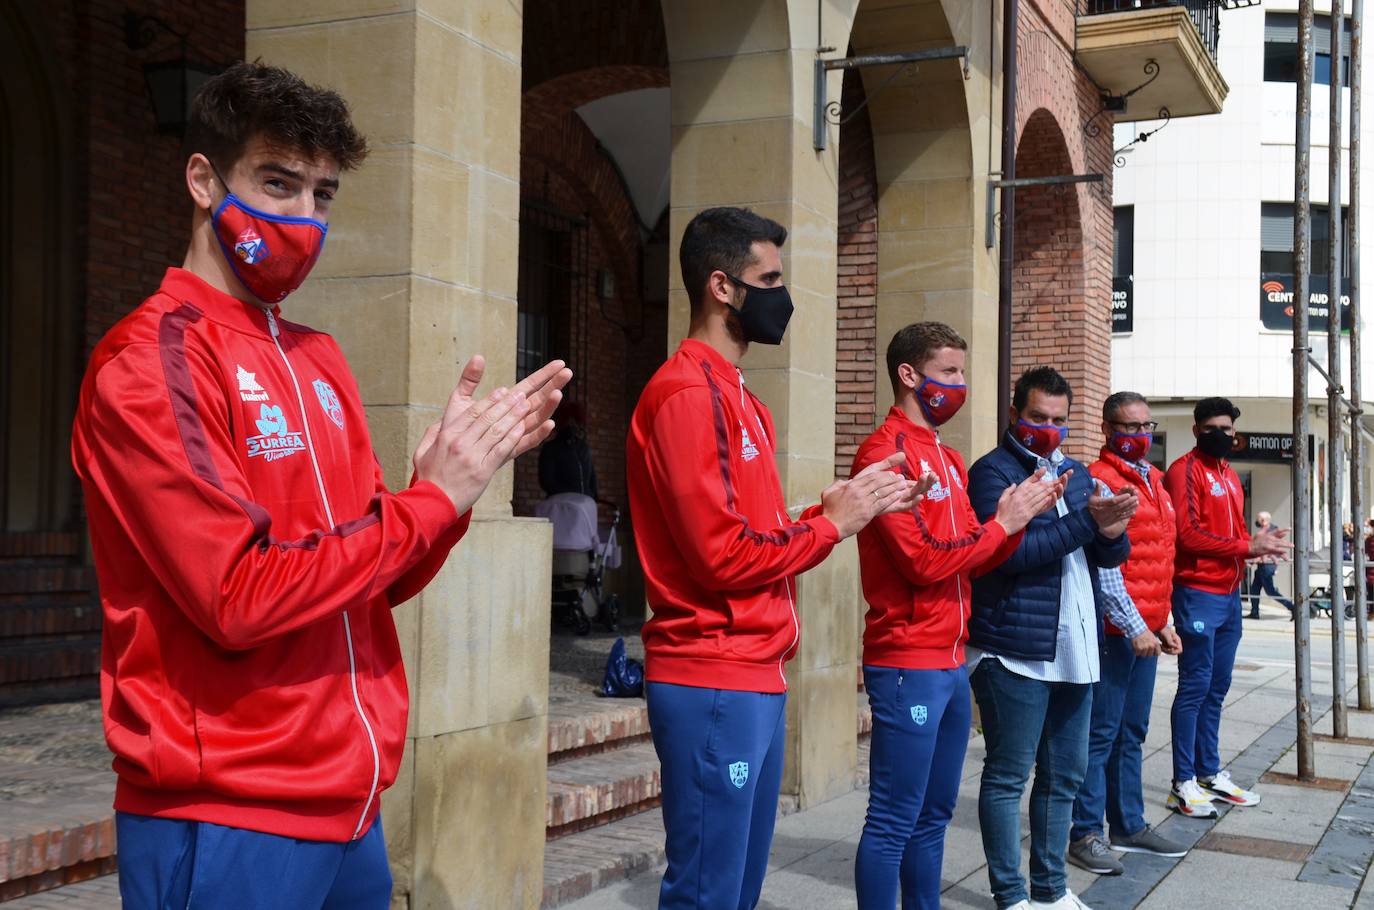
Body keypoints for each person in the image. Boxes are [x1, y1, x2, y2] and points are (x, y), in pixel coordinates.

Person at [70, 63, 570, 909]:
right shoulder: (154, 358)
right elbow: (236, 593)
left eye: (323, 194)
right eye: (277, 184)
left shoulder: (318, 358)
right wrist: (425, 506)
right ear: (202, 180)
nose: (302, 218)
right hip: (229, 807)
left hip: (351, 803)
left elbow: (372, 577)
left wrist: (443, 498)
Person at [625, 206, 923, 909]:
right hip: (713, 675)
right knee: (707, 894)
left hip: (752, 673)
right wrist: (834, 528)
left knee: (735, 892)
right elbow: (721, 557)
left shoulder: (741, 398)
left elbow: (746, 532)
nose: (782, 296)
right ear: (722, 287)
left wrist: (831, 511)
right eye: (771, 278)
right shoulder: (687, 394)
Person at [851, 323, 1057, 909]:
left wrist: (1015, 521)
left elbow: (976, 547)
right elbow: (921, 561)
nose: (960, 385)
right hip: (906, 658)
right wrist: (1001, 526)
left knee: (934, 814)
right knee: (894, 816)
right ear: (909, 375)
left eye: (963, 373)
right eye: (948, 372)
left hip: (949, 659)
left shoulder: (946, 454)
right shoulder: (884, 454)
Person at [966, 366, 1137, 910]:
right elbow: (1010, 554)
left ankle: (1051, 888)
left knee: (1065, 775)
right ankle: (1011, 893)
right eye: (1038, 417)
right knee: (1008, 776)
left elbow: (1102, 555)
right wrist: (1087, 523)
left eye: (1059, 420)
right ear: (1016, 414)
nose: (1049, 428)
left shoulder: (1078, 473)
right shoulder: (992, 474)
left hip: (1077, 648)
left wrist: (1112, 530)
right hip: (1015, 650)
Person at [1067, 392, 1187, 877]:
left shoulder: (1154, 480)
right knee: (1100, 734)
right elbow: (1106, 566)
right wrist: (1137, 624)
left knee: (1132, 732)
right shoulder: (1099, 480)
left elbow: (1159, 559)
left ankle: (1129, 823)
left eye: (1145, 426)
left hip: (1145, 629)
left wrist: (1163, 620)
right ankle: (1085, 833)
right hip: (1114, 629)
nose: (1138, 435)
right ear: (1106, 428)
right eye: (1128, 426)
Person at [1165, 398, 1292, 818]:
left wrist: (1260, 548)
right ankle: (1182, 781)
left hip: (1229, 595)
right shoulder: (1184, 471)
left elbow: (1235, 533)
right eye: (1213, 427)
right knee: (1195, 686)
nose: (1223, 434)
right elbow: (1187, 535)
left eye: (1228, 427)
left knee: (1217, 690)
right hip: (1197, 592)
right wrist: (1246, 546)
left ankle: (1208, 772)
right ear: (1198, 429)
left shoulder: (1229, 476)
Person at [539, 399, 598, 499]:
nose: (571, 425)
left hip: (585, 502)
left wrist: (593, 495)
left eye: (574, 421)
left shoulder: (583, 447)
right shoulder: (551, 448)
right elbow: (546, 480)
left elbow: (592, 475)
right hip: (562, 503)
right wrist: (566, 495)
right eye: (568, 421)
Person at [1247, 511, 1296, 619]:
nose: (1257, 521)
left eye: (1258, 519)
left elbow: (1268, 550)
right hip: (1262, 566)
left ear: (1263, 520)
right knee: (1254, 589)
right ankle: (1254, 612)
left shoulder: (1272, 531)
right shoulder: (1266, 531)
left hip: (1267, 566)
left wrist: (1255, 559)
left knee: (1271, 591)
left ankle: (1292, 607)